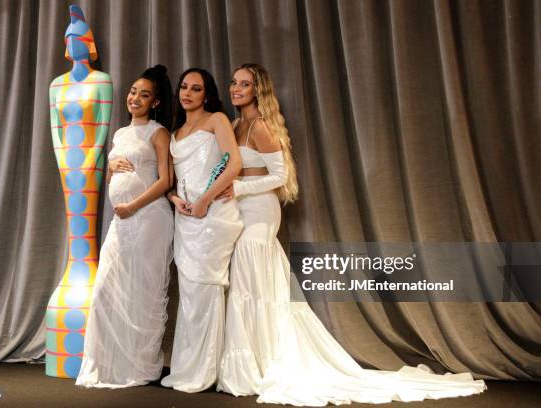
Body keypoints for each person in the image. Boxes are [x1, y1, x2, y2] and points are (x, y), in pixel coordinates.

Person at [216, 63, 486, 405]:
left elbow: (280, 176)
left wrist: (241, 187)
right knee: (249, 283)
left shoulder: (261, 127)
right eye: (234, 82)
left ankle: (265, 362)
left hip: (259, 210)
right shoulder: (237, 124)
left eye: (245, 84)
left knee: (253, 281)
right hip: (242, 210)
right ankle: (254, 361)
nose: (236, 88)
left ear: (258, 90)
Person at [76, 65, 174, 388]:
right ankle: (108, 365)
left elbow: (165, 180)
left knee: (142, 292)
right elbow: (114, 182)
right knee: (107, 289)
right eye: (133, 92)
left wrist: (132, 205)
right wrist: (111, 169)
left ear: (155, 102)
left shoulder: (158, 133)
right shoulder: (119, 133)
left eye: (144, 95)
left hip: (149, 219)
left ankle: (141, 366)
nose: (135, 98)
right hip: (122, 222)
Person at [160, 68, 243, 393]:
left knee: (207, 288)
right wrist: (175, 199)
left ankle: (206, 370)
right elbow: (171, 180)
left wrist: (206, 200)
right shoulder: (175, 131)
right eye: (184, 87)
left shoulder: (217, 120)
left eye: (195, 89)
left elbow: (232, 163)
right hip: (187, 217)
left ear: (206, 95)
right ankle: (187, 366)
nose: (187, 93)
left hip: (214, 214)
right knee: (191, 292)